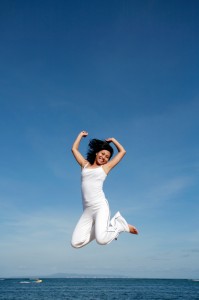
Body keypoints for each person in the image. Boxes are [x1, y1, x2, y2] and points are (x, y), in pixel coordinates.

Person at [71, 131, 138, 249]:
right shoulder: (85, 165)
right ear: (97, 153)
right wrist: (80, 136)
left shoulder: (105, 168)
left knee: (101, 240)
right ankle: (100, 230)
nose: (104, 158)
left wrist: (113, 140)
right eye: (102, 154)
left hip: (100, 207)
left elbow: (122, 152)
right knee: (76, 243)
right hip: (87, 210)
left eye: (107, 157)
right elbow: (74, 149)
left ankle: (120, 225)